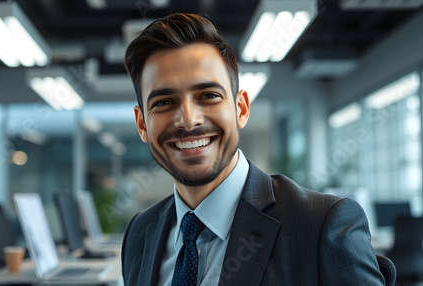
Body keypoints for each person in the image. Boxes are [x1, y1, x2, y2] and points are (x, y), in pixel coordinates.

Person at [121, 13, 384, 285]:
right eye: (164, 102)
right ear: (142, 124)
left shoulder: (322, 225)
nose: (188, 120)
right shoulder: (140, 232)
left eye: (209, 96)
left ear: (241, 109)